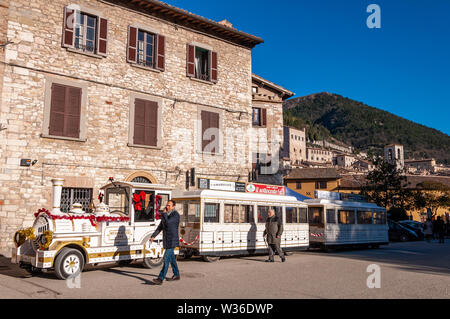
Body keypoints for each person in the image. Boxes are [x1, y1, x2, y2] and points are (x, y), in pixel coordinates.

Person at [150, 200, 181, 285]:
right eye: (167, 205)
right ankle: (177, 274)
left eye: (169, 205)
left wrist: (163, 214)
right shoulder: (166, 216)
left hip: (172, 241)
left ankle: (160, 278)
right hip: (167, 240)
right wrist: (153, 236)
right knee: (172, 259)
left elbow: (168, 224)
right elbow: (160, 227)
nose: (167, 207)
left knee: (166, 259)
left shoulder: (175, 215)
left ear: (173, 207)